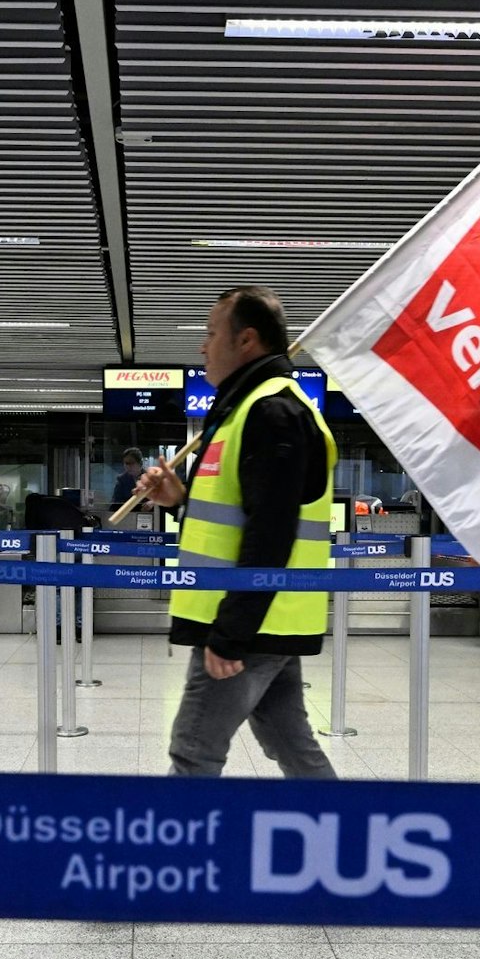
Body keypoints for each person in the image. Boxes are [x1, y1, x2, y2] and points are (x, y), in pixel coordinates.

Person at [135, 285, 339, 779]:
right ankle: (345, 824)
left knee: (193, 752)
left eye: (211, 334)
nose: (202, 346)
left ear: (246, 340)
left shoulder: (272, 412)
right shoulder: (245, 410)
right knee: (291, 745)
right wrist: (180, 500)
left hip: (248, 621)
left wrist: (231, 634)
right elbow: (241, 516)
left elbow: (272, 531)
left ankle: (176, 838)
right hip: (266, 617)